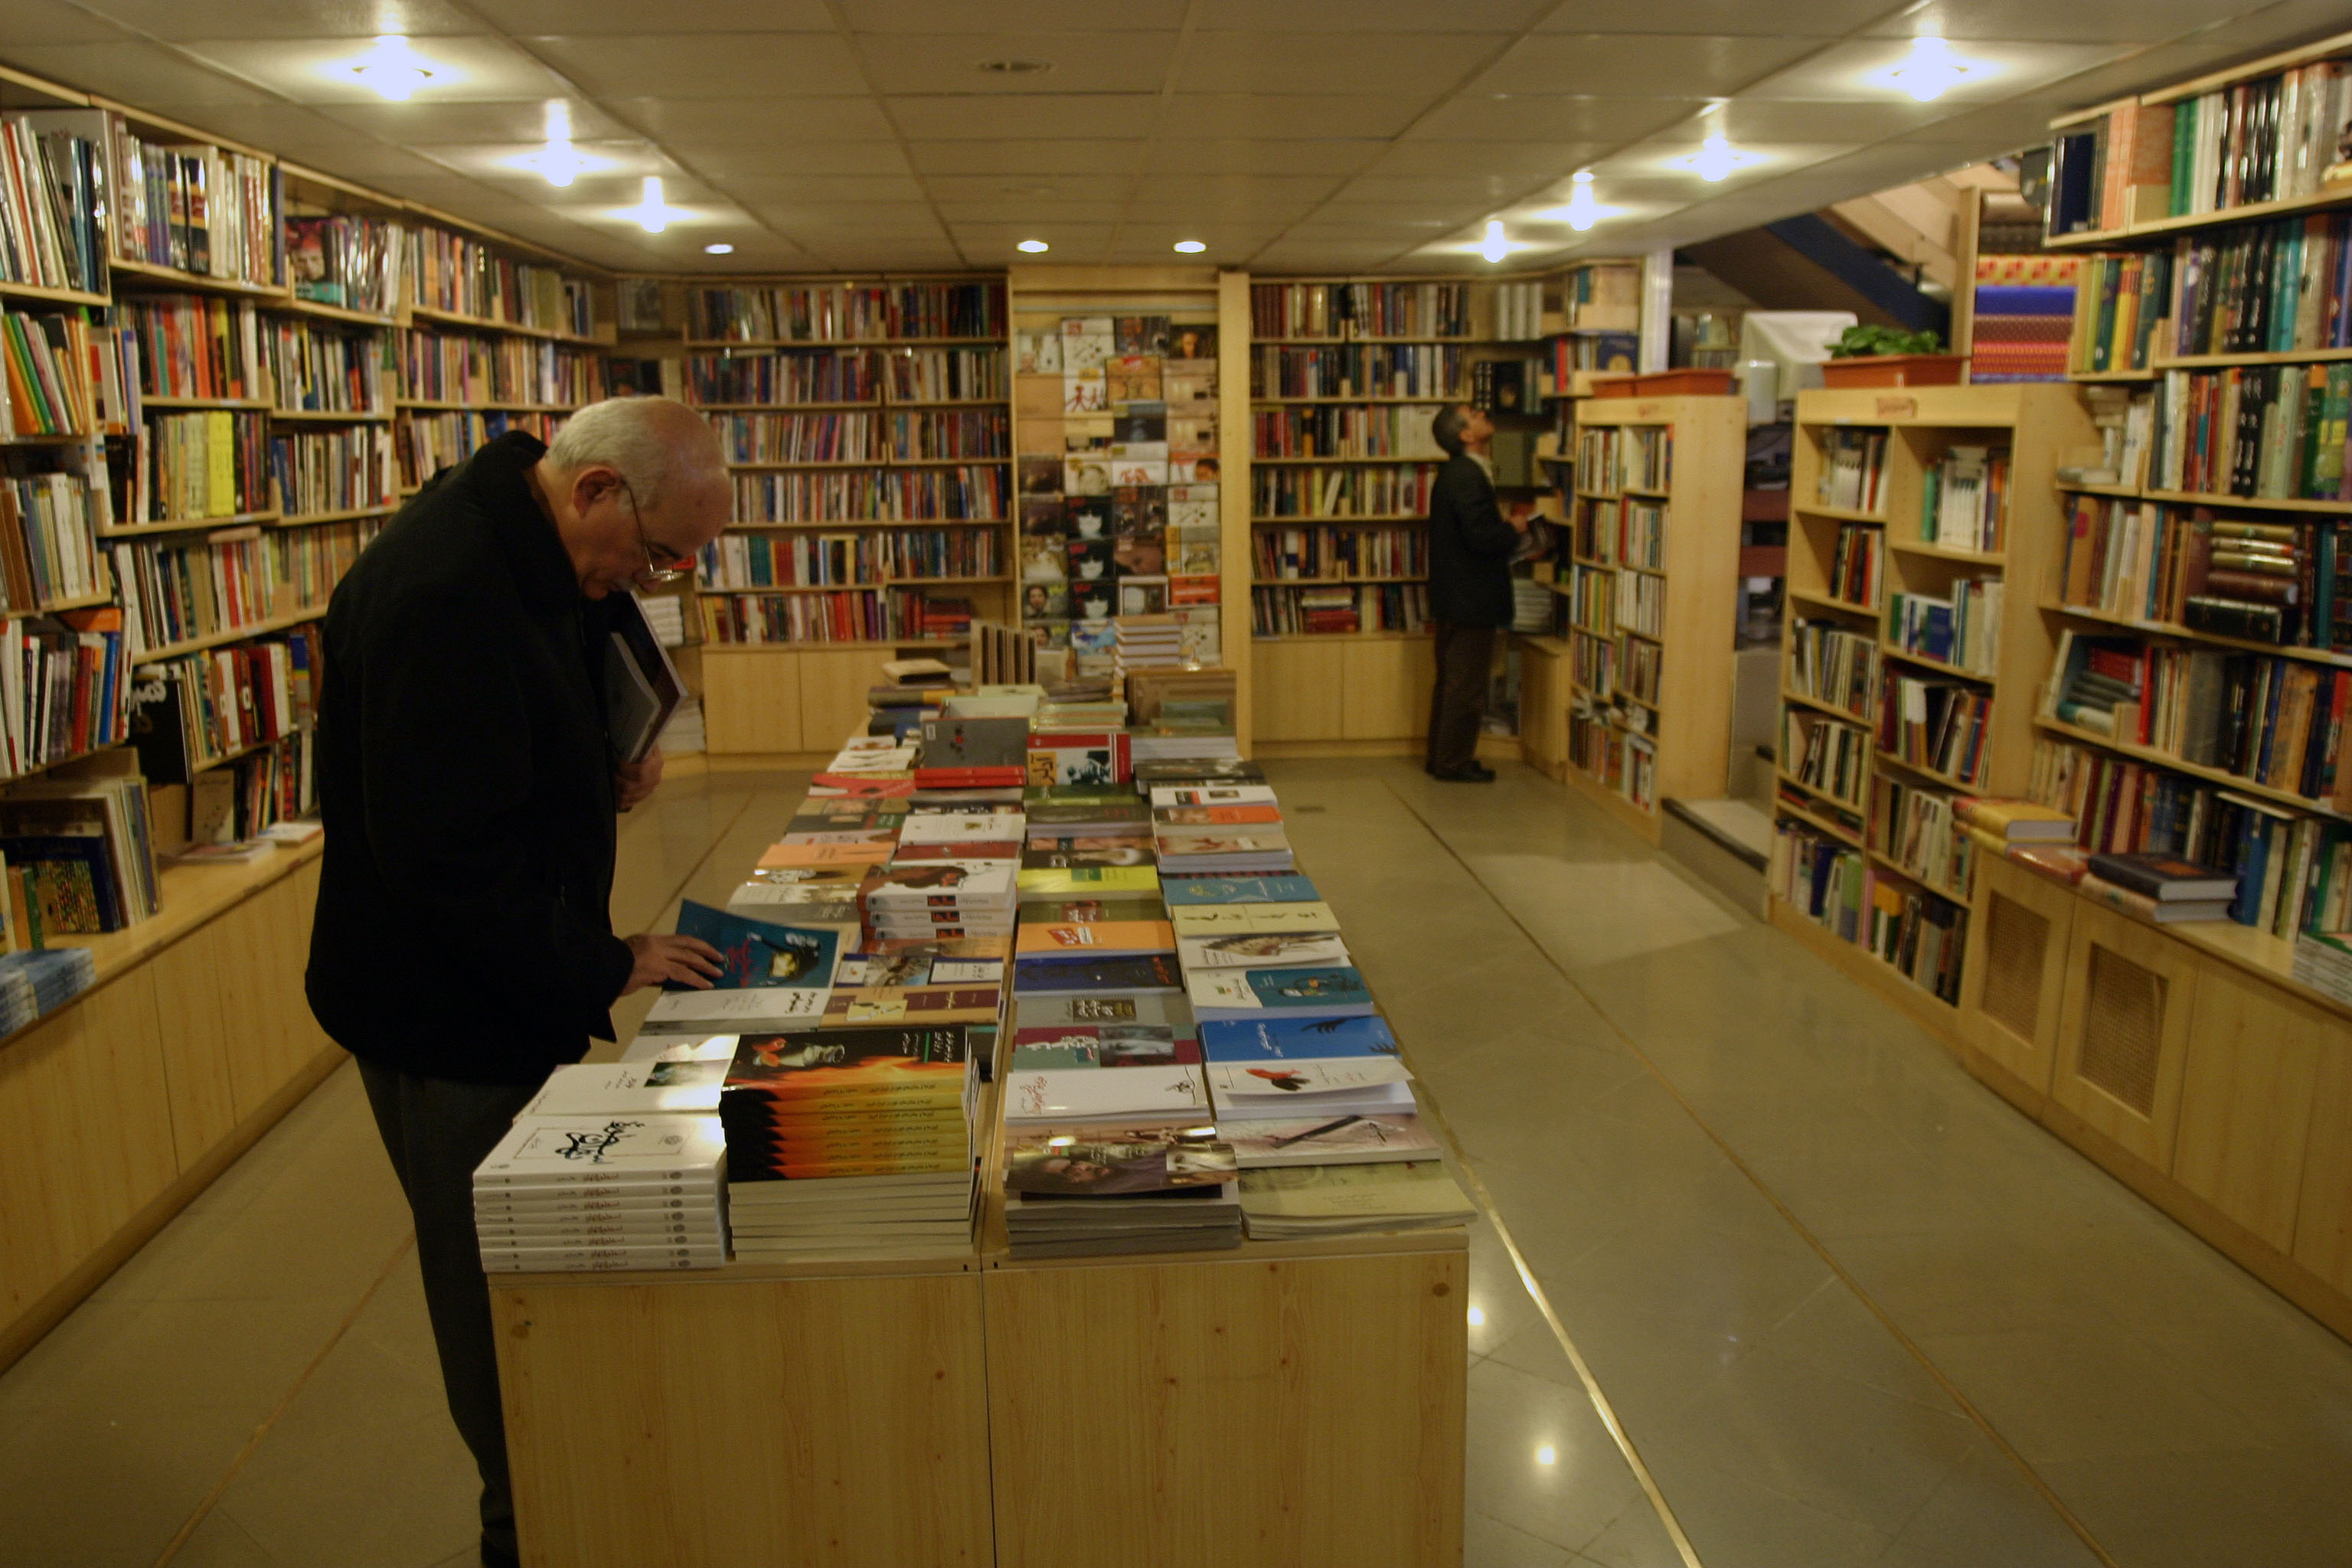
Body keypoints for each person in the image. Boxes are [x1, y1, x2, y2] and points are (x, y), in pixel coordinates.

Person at [305, 396, 733, 1568]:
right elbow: (446, 863)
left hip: (490, 979)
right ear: (596, 488)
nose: (651, 582)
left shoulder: (533, 539)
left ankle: (565, 1491)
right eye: (653, 555)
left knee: (527, 1262)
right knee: (496, 1286)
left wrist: (597, 762)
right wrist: (607, 961)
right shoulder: (443, 591)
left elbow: (535, 697)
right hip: (440, 1011)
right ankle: (528, 1525)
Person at [1424, 403, 1529, 781]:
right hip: (1471, 599)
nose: (1485, 413)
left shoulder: (1456, 473)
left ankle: (1442, 758)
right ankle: (1453, 763)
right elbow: (1481, 538)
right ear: (1466, 436)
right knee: (1465, 687)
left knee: (1452, 683)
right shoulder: (1468, 475)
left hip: (1456, 597)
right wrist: (1514, 528)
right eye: (1474, 414)